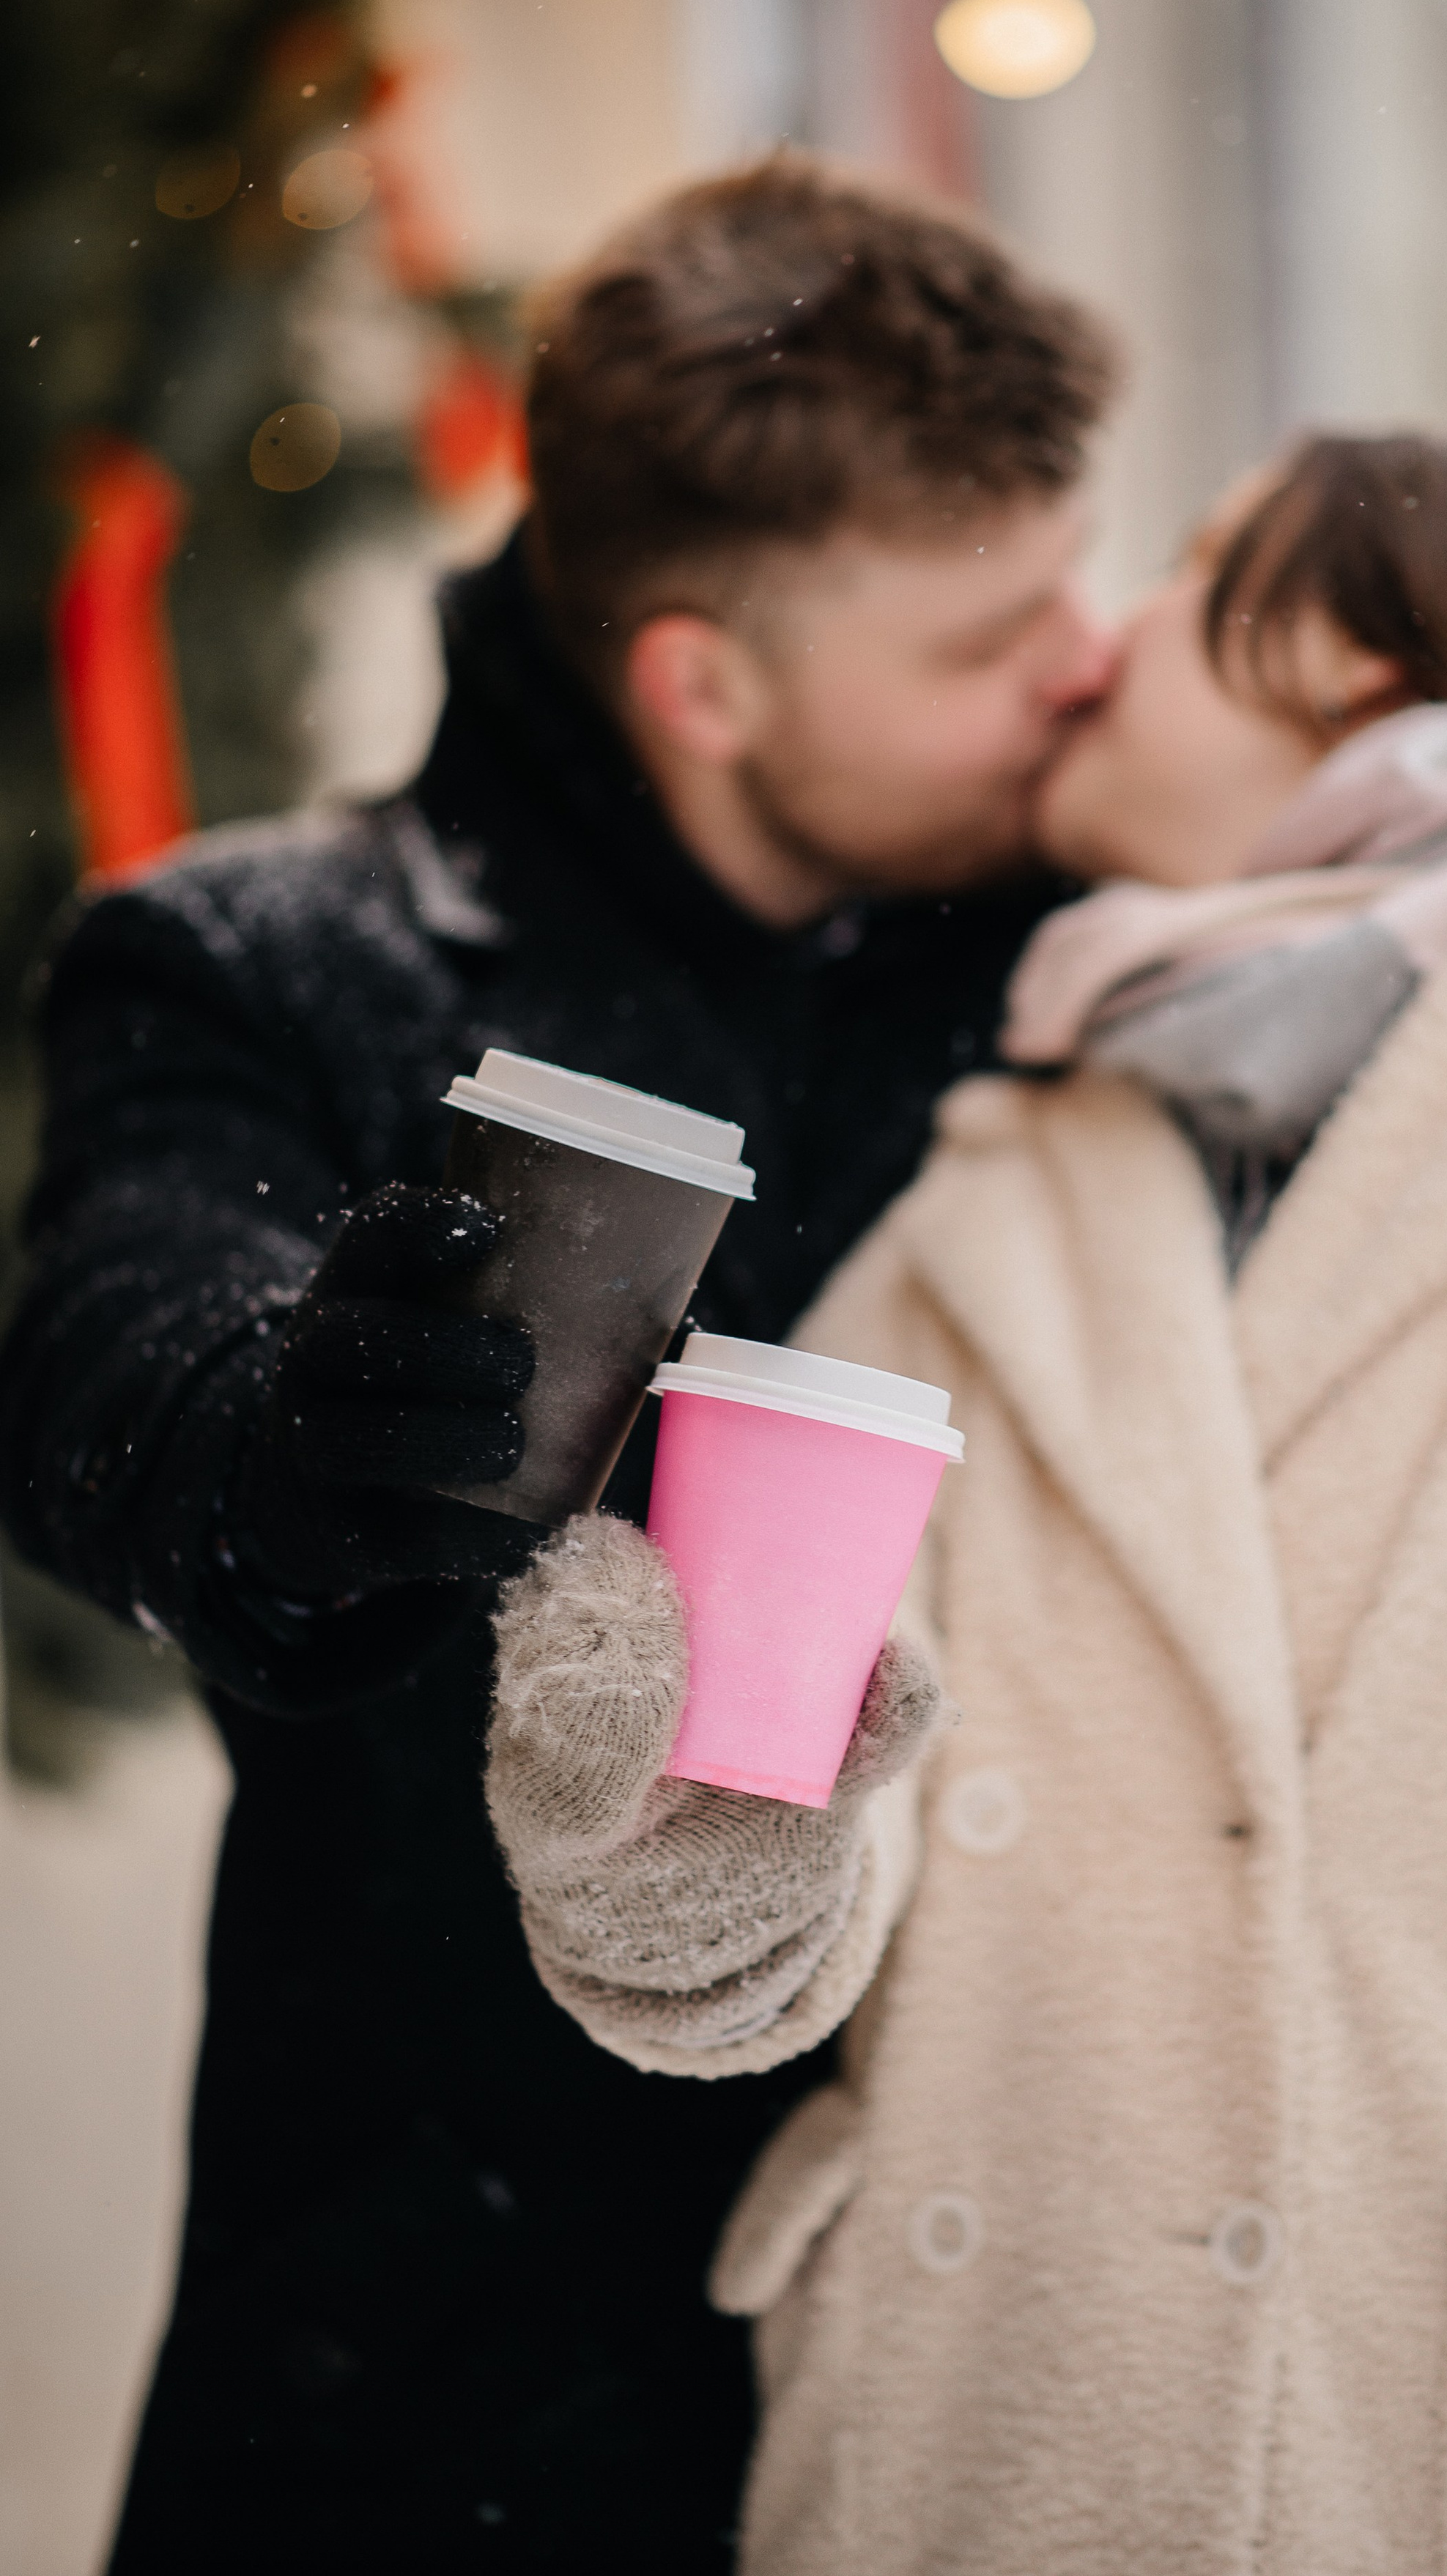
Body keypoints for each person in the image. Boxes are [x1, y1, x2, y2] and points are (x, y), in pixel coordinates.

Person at [486, 434, 1447, 2575]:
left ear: (1350, 657)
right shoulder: (983, 1199)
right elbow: (777, 1924)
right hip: (962, 2464)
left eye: (1190, 566)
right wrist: (670, 1845)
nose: (1095, 646)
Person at [0, 152, 1117, 2572]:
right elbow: (111, 1360)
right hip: (454, 2363)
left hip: (1030, 2376)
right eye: (990, 634)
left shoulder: (1109, 957)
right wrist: (290, 1445)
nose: (1085, 664)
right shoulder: (264, 964)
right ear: (704, 682)